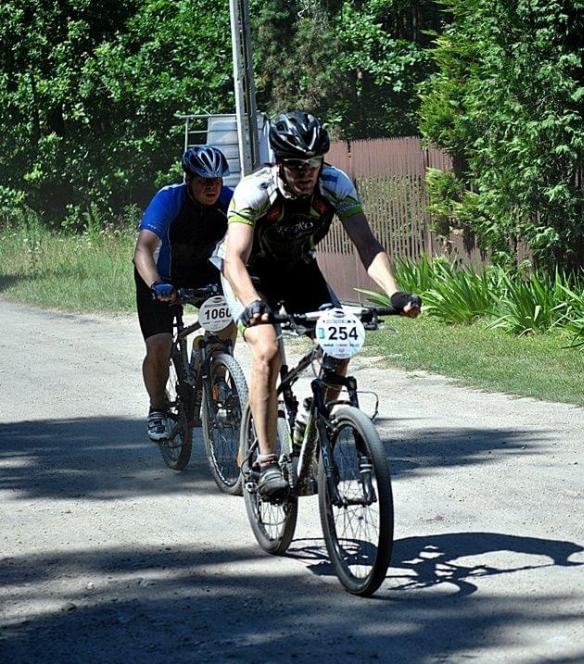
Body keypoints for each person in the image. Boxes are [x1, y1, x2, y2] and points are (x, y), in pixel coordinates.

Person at [220, 110, 421, 497]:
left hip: (298, 270)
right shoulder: (255, 190)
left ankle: (311, 423)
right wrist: (252, 306)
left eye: (313, 163)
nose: (306, 172)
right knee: (267, 350)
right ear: (278, 161)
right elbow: (234, 260)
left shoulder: (334, 184)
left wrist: (395, 292)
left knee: (341, 341)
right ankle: (265, 462)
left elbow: (366, 244)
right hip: (250, 275)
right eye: (296, 164)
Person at [133, 145, 234, 442]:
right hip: (161, 277)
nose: (212, 186)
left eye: (217, 180)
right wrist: (155, 284)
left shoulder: (229, 201)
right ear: (189, 179)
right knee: (160, 345)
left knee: (229, 315)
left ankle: (217, 377)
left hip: (204, 273)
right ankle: (157, 408)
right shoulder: (168, 199)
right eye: (204, 180)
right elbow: (143, 249)